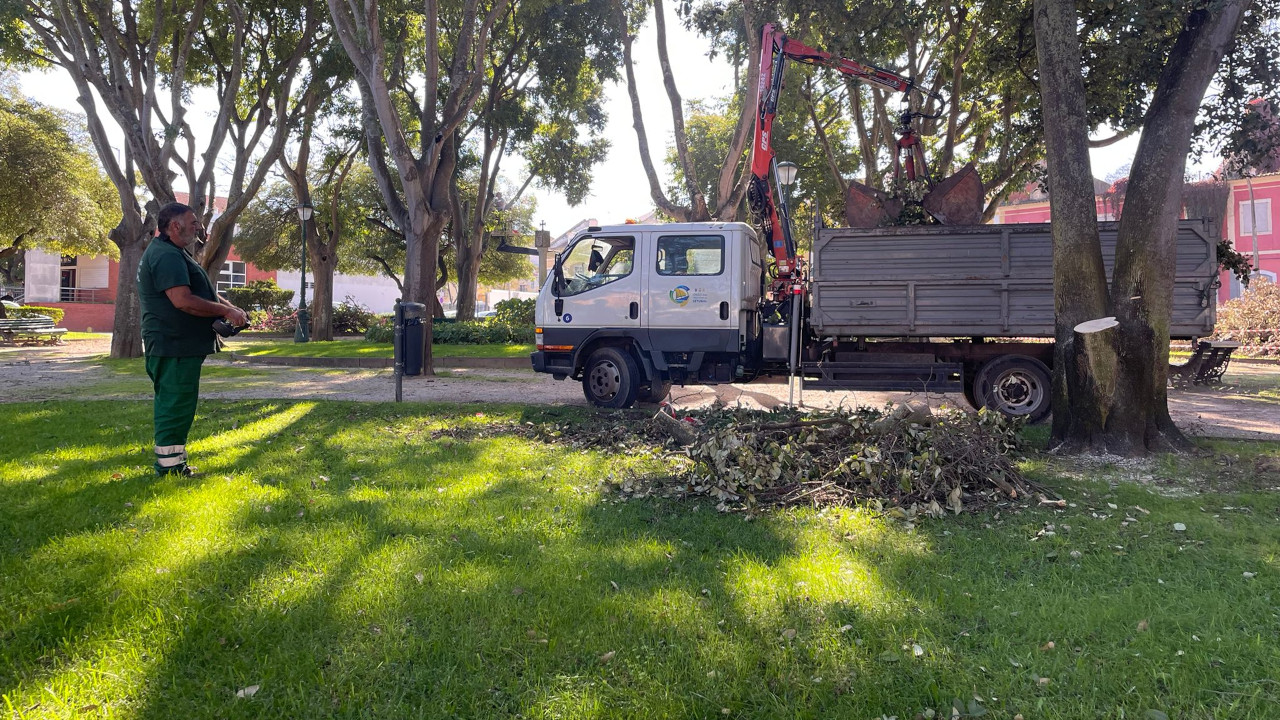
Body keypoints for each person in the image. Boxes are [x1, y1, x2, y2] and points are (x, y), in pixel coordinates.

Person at [137, 202, 248, 476]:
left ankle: (175, 463)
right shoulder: (166, 255)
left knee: (178, 404)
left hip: (176, 344)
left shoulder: (173, 252)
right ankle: (170, 469)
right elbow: (183, 300)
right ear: (174, 226)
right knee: (175, 405)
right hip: (172, 344)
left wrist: (229, 307)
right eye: (193, 222)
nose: (198, 226)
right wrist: (225, 310)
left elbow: (200, 292)